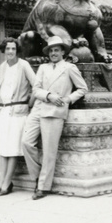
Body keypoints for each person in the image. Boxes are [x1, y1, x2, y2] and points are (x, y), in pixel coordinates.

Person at [22, 35, 88, 200]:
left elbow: (82, 88)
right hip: (39, 107)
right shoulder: (43, 68)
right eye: (51, 50)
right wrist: (49, 95)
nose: (53, 53)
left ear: (62, 52)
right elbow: (35, 90)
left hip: (55, 111)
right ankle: (38, 176)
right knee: (26, 142)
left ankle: (43, 186)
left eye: (56, 50)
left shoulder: (69, 68)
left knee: (49, 151)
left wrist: (67, 100)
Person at [0, 37, 35, 196]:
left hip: (18, 113)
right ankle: (1, 181)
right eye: (8, 48)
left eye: (13, 49)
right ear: (4, 50)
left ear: (17, 51)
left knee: (12, 149)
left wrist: (28, 104)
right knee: (3, 149)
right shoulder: (3, 66)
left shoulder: (24, 65)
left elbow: (36, 85)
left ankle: (7, 182)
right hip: (4, 112)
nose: (10, 51)